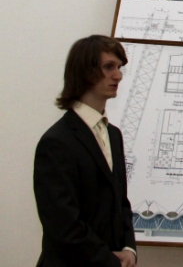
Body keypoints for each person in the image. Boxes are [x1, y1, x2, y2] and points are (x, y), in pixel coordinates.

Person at [34, 35, 137, 267]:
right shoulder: (57, 142)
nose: (118, 75)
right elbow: (62, 224)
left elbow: (120, 203)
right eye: (109, 67)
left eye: (119, 68)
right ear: (85, 71)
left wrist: (129, 249)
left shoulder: (113, 135)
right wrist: (110, 261)